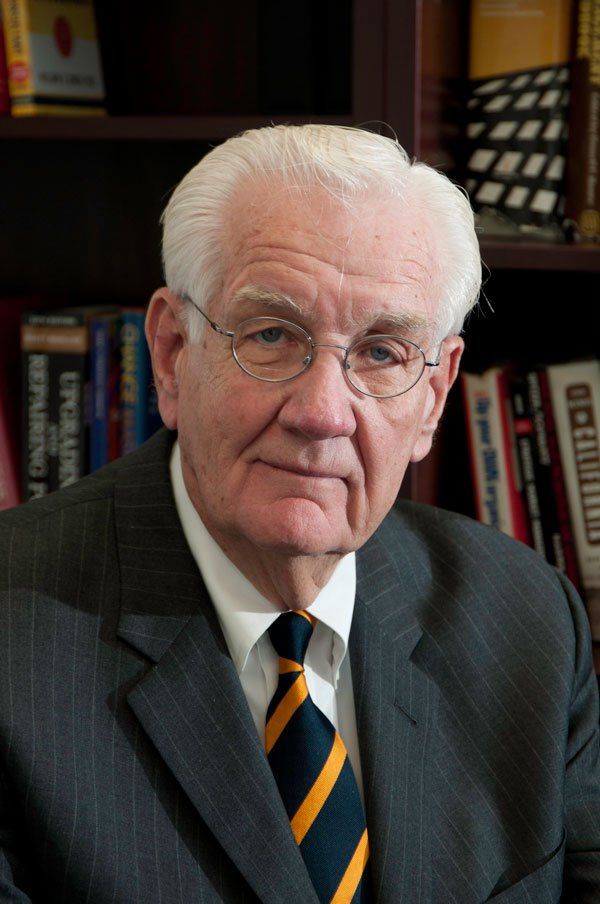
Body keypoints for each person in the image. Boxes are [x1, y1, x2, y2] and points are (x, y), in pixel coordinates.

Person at [0, 124, 598, 904]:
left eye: (383, 352)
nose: (322, 413)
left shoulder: (524, 625)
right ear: (173, 353)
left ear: (435, 395)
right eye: (273, 336)